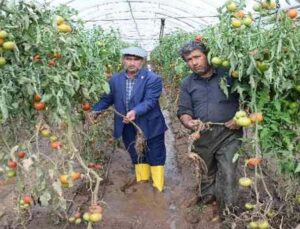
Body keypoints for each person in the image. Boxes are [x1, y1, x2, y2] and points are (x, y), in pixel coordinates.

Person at [88, 46, 167, 192]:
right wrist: (95, 111)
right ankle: (143, 183)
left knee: (155, 154)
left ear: (142, 62)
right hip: (127, 125)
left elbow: (150, 101)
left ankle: (158, 187)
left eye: (136, 60)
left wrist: (135, 111)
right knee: (136, 153)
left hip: (150, 125)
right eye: (128, 59)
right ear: (123, 60)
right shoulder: (115, 79)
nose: (132, 62)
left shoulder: (153, 79)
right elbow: (107, 99)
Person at [177, 41, 242, 210]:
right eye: (189, 60)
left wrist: (240, 117)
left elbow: (246, 99)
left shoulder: (228, 74)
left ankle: (227, 209)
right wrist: (188, 121)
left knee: (228, 172)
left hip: (229, 133)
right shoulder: (187, 83)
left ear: (207, 55)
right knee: (206, 170)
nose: (194, 62)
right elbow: (184, 110)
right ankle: (207, 199)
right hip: (202, 134)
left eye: (197, 57)